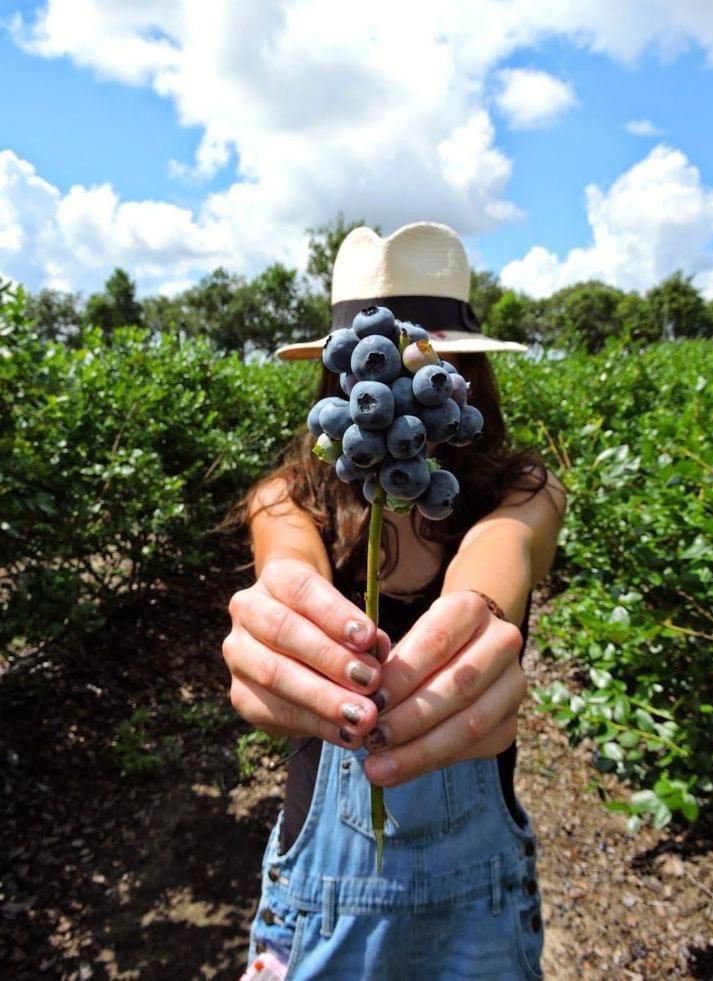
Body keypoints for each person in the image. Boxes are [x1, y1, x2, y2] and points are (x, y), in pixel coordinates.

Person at [222, 222, 567, 980]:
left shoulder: (520, 494)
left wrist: (479, 609)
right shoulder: (289, 498)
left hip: (480, 899)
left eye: (435, 365)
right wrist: (283, 614)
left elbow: (503, 546)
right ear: (341, 378)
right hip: (318, 896)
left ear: (467, 381)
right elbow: (286, 562)